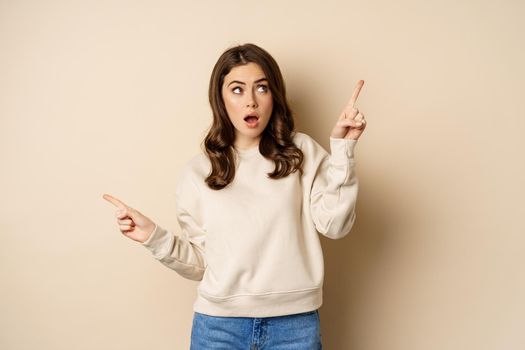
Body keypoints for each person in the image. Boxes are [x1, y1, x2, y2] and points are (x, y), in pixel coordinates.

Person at [103, 43, 366, 349]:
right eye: (238, 89)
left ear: (274, 95)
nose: (251, 102)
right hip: (218, 328)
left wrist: (343, 151)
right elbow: (202, 264)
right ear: (221, 98)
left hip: (295, 326)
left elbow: (335, 225)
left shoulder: (301, 153)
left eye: (262, 88)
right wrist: (153, 236)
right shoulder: (198, 172)